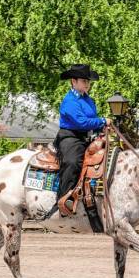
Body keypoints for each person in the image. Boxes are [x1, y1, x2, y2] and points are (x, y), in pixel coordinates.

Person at [53, 64, 109, 216]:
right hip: (70, 137)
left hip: (86, 137)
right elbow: (82, 122)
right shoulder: (69, 101)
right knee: (73, 162)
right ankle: (65, 200)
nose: (87, 84)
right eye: (84, 81)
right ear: (73, 81)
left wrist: (102, 129)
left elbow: (91, 121)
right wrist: (102, 121)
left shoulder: (89, 100)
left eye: (88, 81)